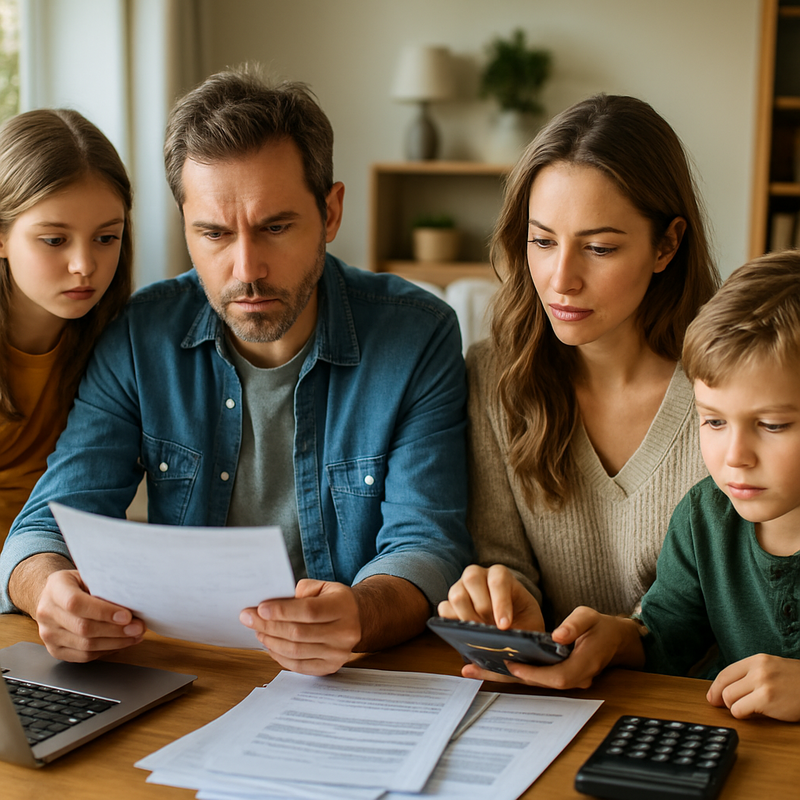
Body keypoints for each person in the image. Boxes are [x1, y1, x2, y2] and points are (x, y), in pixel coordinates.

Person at [0, 67, 471, 675]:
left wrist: (361, 612)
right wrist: (48, 593)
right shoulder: (140, 335)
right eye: (214, 234)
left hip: (358, 679)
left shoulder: (418, 334)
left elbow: (428, 543)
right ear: (185, 230)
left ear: (330, 214)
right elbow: (47, 522)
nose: (247, 268)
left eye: (275, 227)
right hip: (195, 675)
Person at [438, 94, 720, 678]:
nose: (561, 279)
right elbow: (504, 563)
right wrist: (505, 604)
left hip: (702, 712)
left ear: (667, 244)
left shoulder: (733, 393)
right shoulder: (494, 377)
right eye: (542, 241)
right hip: (553, 706)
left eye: (599, 247)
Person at [514, 252, 800, 722]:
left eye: (770, 425)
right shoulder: (704, 514)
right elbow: (668, 636)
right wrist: (618, 637)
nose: (735, 456)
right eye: (713, 421)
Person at [0, 108, 133, 546]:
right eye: (55, 240)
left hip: (63, 579)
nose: (84, 266)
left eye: (106, 237)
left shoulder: (119, 344)